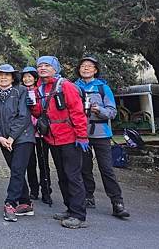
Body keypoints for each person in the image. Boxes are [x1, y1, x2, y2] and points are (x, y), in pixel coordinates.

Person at [30, 56, 89, 229]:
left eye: (47, 65)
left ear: (55, 68)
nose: (42, 68)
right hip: (52, 139)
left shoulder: (66, 86)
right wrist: (32, 106)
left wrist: (82, 136)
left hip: (70, 138)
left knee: (73, 176)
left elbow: (77, 112)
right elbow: (39, 112)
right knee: (62, 176)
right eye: (40, 66)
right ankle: (70, 208)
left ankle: (79, 215)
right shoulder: (40, 88)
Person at [75, 56, 129, 218]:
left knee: (106, 169)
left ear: (95, 70)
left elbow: (112, 112)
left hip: (101, 134)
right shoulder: (73, 87)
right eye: (83, 66)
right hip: (81, 133)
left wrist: (100, 110)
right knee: (84, 167)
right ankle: (88, 196)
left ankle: (117, 202)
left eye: (89, 66)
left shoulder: (103, 88)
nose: (85, 68)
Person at [0, 64, 35, 222]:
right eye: (1, 75)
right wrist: (0, 137)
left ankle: (10, 203)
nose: (3, 77)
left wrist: (11, 137)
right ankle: (26, 203)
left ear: (13, 78)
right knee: (17, 170)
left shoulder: (21, 91)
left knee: (17, 169)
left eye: (7, 75)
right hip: (4, 139)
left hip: (23, 137)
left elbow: (23, 116)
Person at [22, 66, 53, 205]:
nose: (27, 79)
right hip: (26, 132)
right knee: (30, 163)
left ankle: (46, 191)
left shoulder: (41, 91)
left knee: (43, 163)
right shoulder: (21, 92)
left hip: (40, 131)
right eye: (24, 77)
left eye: (30, 76)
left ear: (35, 78)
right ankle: (33, 190)